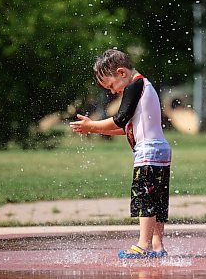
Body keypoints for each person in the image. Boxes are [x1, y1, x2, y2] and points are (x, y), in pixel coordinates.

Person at [70, 49, 171, 259]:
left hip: (147, 153)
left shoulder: (135, 85)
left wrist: (93, 125)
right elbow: (126, 127)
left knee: (144, 199)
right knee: (157, 200)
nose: (113, 91)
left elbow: (120, 119)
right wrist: (94, 129)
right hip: (160, 151)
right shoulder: (145, 86)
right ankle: (157, 245)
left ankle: (143, 245)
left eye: (111, 85)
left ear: (121, 73)